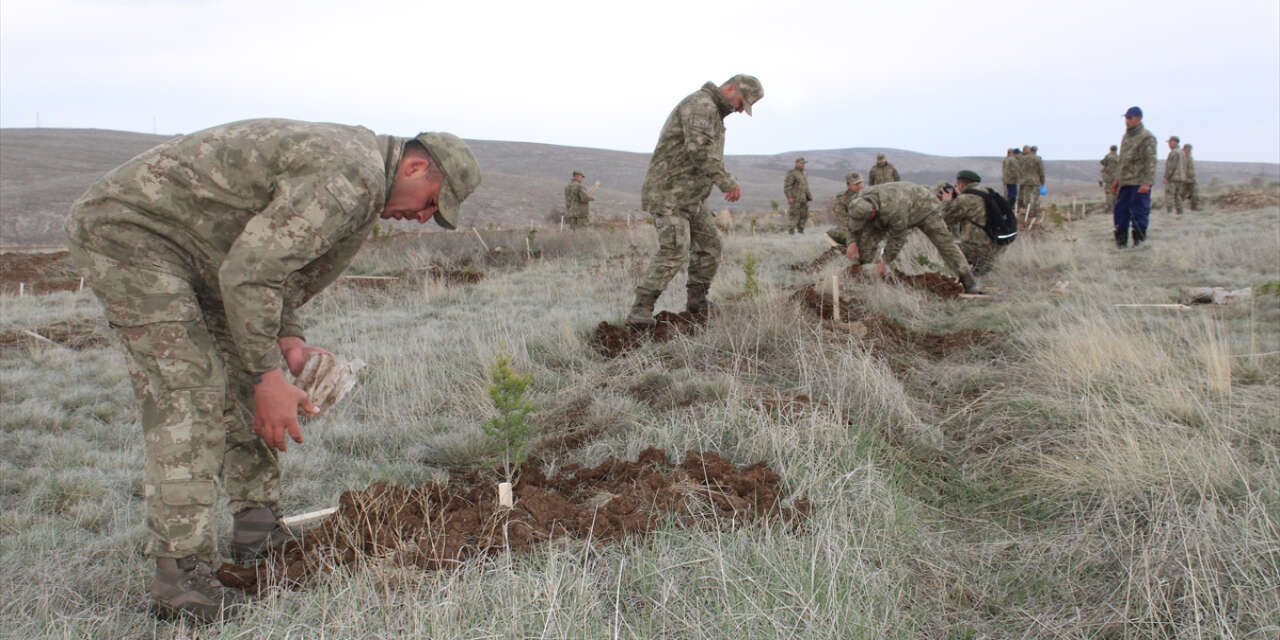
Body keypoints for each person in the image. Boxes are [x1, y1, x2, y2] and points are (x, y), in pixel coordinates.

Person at [65, 118, 481, 620]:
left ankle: (257, 530)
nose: (422, 218)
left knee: (247, 378)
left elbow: (273, 266)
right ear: (415, 167)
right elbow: (248, 274)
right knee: (191, 389)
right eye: (431, 203)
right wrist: (268, 378)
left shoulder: (362, 191)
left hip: (208, 258)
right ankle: (180, 577)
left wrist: (291, 344)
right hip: (135, 236)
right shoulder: (350, 175)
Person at [625, 74, 764, 326]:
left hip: (693, 198)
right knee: (674, 250)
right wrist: (726, 181)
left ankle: (697, 304)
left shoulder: (714, 113)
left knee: (710, 246)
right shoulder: (701, 105)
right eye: (742, 102)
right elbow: (698, 150)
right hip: (670, 195)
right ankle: (640, 310)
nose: (741, 110)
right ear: (731, 88)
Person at [836, 181, 980, 293]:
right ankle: (862, 278)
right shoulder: (858, 201)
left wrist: (884, 263)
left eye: (865, 219)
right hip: (886, 212)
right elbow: (852, 225)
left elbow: (898, 238)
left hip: (924, 207)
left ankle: (968, 279)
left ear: (872, 212)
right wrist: (851, 242)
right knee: (865, 242)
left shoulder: (894, 208)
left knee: (944, 243)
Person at [939, 170, 1005, 276]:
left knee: (946, 249)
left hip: (975, 247)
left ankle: (954, 276)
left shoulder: (965, 199)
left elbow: (944, 219)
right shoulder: (990, 193)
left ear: (961, 184)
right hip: (996, 245)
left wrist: (947, 201)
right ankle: (982, 267)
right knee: (981, 266)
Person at [1110, 106, 1158, 247]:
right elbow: (1123, 161)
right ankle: (1121, 242)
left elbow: (1150, 161)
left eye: (1130, 118)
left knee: (1139, 212)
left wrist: (1146, 183)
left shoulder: (1147, 137)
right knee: (1120, 212)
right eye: (1126, 118)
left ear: (1139, 118)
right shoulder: (1126, 136)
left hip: (1139, 182)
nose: (1127, 121)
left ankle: (1139, 242)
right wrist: (1117, 180)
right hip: (1125, 182)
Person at [826, 171, 866, 248]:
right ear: (848, 185)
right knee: (834, 235)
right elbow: (842, 219)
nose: (860, 186)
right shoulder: (842, 199)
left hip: (870, 229)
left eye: (861, 183)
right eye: (856, 184)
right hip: (852, 230)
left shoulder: (870, 195)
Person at [783, 157, 813, 234]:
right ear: (796, 163)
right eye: (801, 163)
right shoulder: (792, 173)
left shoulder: (804, 173)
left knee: (804, 215)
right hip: (795, 199)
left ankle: (801, 231)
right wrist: (789, 197)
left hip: (803, 199)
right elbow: (787, 187)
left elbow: (805, 186)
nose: (803, 165)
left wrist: (809, 195)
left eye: (804, 163)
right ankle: (791, 232)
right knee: (794, 216)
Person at [1019, 145, 1044, 218]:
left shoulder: (1023, 159)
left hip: (1025, 180)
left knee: (1027, 197)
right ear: (1036, 151)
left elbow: (1021, 169)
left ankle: (1027, 211)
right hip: (1035, 181)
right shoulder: (1038, 159)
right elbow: (1041, 171)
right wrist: (1042, 181)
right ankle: (1034, 212)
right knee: (1035, 197)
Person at [1163, 136, 1187, 215]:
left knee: (1169, 195)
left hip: (1173, 178)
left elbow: (1171, 166)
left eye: (1170, 142)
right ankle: (1180, 212)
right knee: (1178, 195)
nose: (1169, 144)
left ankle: (1169, 212)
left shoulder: (1174, 152)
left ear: (1175, 142)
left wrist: (1166, 177)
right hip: (1181, 178)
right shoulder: (1182, 152)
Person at [1100, 145, 1120, 214]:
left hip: (1109, 176)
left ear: (1110, 149)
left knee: (1108, 192)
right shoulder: (1118, 157)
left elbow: (1102, 162)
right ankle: (1116, 207)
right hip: (1117, 177)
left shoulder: (1108, 156)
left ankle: (1109, 208)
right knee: (1116, 192)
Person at [1183, 143, 1201, 211]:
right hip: (1184, 179)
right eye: (1188, 150)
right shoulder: (1181, 157)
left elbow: (1191, 169)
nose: (1189, 151)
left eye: (1190, 150)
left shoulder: (1190, 158)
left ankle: (1194, 207)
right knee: (1181, 194)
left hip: (1191, 179)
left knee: (1194, 193)